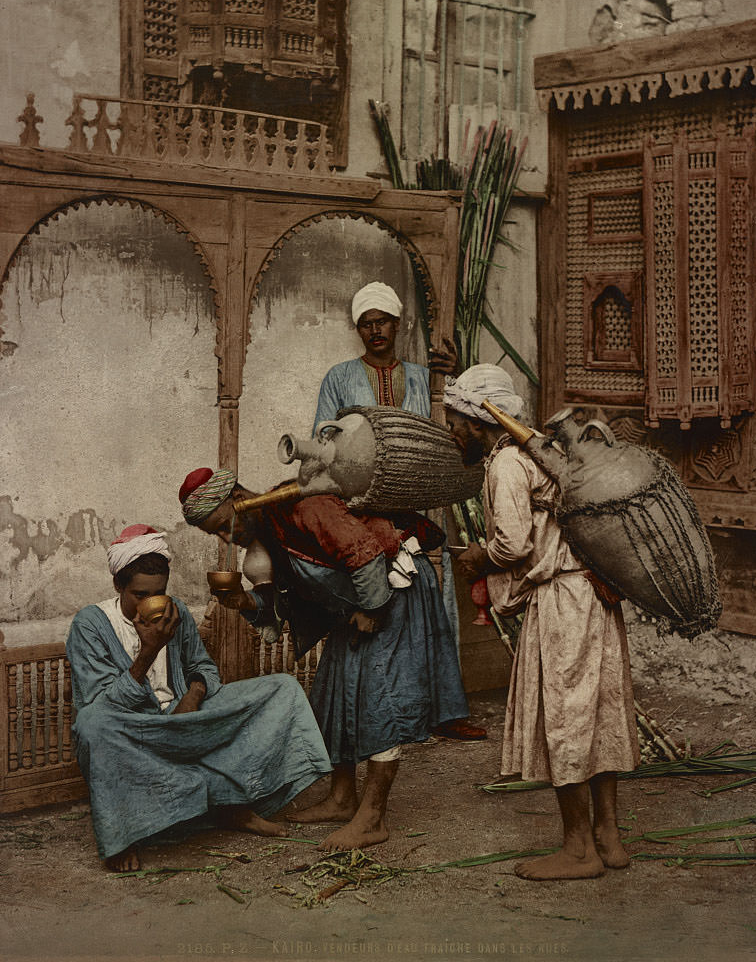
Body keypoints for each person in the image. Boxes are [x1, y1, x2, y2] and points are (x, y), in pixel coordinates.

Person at [180, 468, 470, 851]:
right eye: (214, 534)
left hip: (395, 593)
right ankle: (342, 798)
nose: (225, 537)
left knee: (379, 700)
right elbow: (282, 604)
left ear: (238, 499)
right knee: (335, 694)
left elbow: (365, 557)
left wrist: (373, 609)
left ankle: (372, 818)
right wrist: (245, 602)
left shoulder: (306, 506)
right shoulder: (268, 536)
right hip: (356, 608)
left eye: (222, 525)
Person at [443, 364, 640, 881]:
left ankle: (578, 850)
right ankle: (609, 838)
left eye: (453, 421)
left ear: (475, 420)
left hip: (562, 602)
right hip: (594, 595)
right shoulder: (543, 453)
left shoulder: (507, 463)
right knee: (595, 714)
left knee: (566, 719)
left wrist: (478, 557)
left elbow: (513, 544)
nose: (451, 432)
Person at [65, 524, 332, 873]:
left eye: (158, 592)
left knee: (282, 688)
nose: (151, 603)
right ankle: (123, 833)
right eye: (140, 594)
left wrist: (193, 695)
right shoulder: (91, 624)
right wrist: (147, 652)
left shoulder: (174, 610)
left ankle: (235, 804)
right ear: (118, 585)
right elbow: (101, 705)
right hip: (137, 729)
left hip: (188, 719)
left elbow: (202, 666)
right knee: (91, 725)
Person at [312, 280, 486, 742]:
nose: (375, 331)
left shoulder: (426, 377)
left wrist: (452, 376)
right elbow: (324, 438)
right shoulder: (339, 377)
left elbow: (462, 426)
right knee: (374, 602)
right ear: (359, 330)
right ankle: (377, 713)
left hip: (418, 501)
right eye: (366, 325)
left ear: (397, 324)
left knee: (435, 600)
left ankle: (447, 710)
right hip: (363, 508)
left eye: (382, 322)